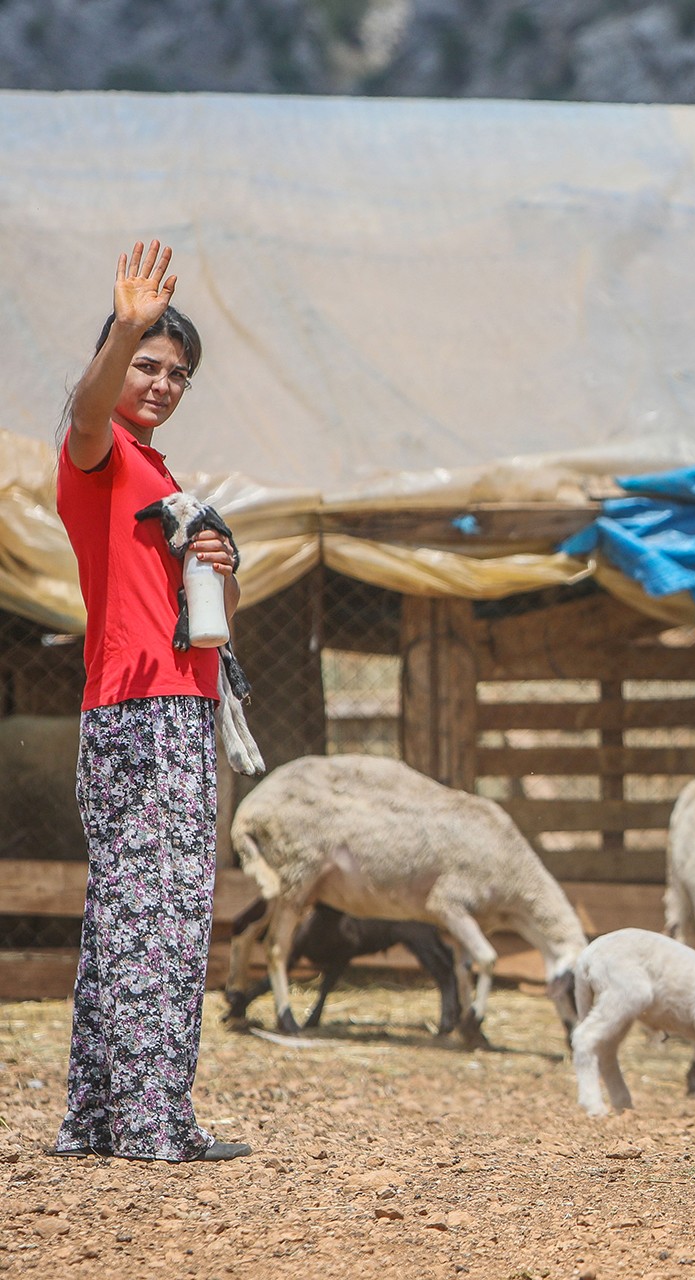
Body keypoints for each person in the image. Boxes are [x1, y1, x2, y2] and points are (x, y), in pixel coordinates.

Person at [51, 239, 250, 1162]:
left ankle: (101, 1117)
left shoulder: (162, 477)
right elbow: (82, 411)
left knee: (135, 907)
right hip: (142, 708)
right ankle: (148, 1122)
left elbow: (197, 616)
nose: (165, 382)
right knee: (158, 909)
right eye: (148, 363)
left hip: (174, 700)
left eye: (178, 373)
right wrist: (127, 321)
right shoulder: (101, 455)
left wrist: (219, 567)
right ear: (115, 360)